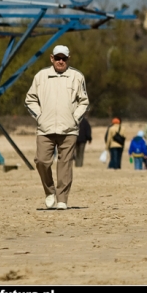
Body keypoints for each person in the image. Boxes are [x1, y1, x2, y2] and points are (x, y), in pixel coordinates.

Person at [25, 45, 89, 210]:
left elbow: (84, 101)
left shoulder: (77, 76)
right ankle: (50, 192)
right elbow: (30, 99)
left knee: (65, 164)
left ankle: (62, 199)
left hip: (69, 129)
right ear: (51, 58)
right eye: (58, 58)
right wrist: (39, 117)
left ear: (69, 59)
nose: (61, 61)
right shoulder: (41, 76)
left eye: (64, 58)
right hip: (45, 129)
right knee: (41, 161)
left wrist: (75, 119)